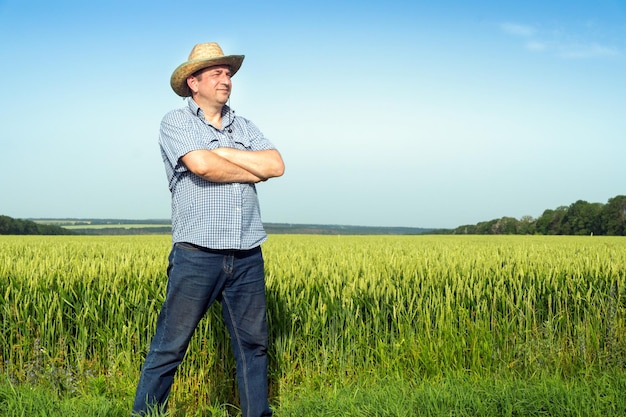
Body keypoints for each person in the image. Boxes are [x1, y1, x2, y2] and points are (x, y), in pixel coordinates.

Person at [132, 42, 284, 417]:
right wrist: (250, 168)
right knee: (170, 346)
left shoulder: (244, 125)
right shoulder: (176, 121)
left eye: (228, 72)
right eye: (216, 73)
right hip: (197, 254)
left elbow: (276, 165)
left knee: (254, 345)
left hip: (248, 253)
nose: (226, 79)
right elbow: (201, 165)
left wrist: (224, 152)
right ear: (193, 82)